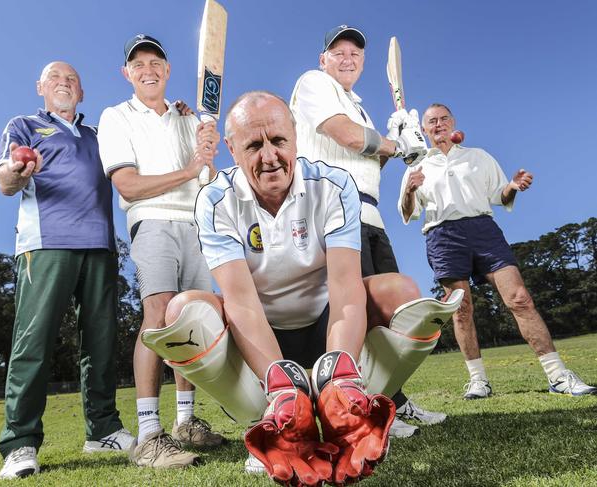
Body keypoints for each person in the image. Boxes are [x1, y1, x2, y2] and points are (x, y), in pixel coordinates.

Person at [141, 92, 463, 486]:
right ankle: (274, 418)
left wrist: (339, 377)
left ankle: (348, 407)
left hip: (325, 321)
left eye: (278, 141)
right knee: (182, 311)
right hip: (259, 335)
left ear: (295, 136)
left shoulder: (333, 185)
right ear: (231, 149)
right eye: (254, 145)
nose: (270, 156)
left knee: (403, 292)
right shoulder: (214, 201)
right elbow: (241, 303)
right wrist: (281, 385)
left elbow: (345, 289)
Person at [289, 25, 443, 437]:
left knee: (386, 315)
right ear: (324, 59)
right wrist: (396, 145)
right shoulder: (313, 83)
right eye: (337, 52)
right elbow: (345, 135)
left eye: (355, 54)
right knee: (351, 312)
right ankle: (352, 405)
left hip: (369, 215)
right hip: (332, 212)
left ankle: (392, 401)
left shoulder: (359, 107)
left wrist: (399, 140)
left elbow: (370, 162)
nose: (346, 58)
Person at [399, 103, 597, 399]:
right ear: (424, 129)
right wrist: (410, 191)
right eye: (432, 121)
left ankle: (558, 376)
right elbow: (407, 213)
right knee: (462, 310)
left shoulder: (478, 157)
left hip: (484, 231)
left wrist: (514, 186)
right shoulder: (416, 166)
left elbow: (499, 196)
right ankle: (479, 381)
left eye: (443, 119)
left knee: (520, 298)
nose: (438, 124)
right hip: (443, 236)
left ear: (453, 123)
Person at [0, 62, 133, 479]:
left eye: (72, 79)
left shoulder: (98, 135)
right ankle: (19, 443)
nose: (64, 83)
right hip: (46, 244)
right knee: (33, 342)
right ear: (40, 87)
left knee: (102, 343)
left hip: (101, 246)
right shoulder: (24, 125)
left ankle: (103, 429)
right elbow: (4, 179)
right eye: (55, 78)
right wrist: (18, 172)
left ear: (82, 92)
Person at [97, 34, 224, 469]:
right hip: (151, 220)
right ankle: (149, 434)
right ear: (126, 73)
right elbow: (128, 184)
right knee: (157, 316)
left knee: (190, 322)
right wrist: (191, 168)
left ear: (168, 71)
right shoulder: (116, 116)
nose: (147, 69)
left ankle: (186, 423)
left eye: (155, 62)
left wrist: (208, 152)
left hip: (196, 224)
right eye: (138, 64)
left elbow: (207, 180)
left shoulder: (189, 118)